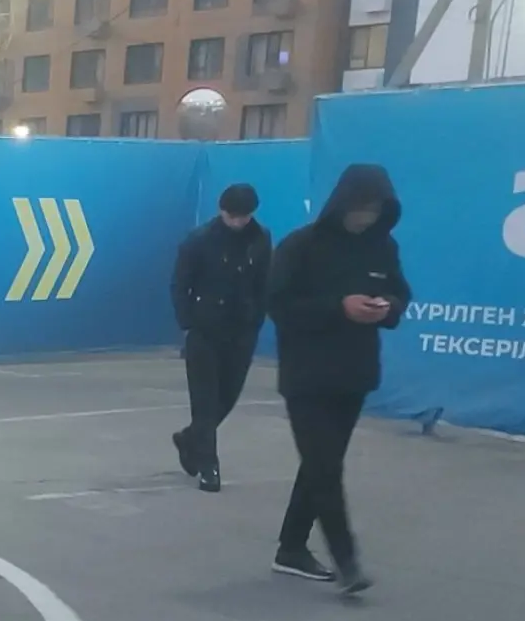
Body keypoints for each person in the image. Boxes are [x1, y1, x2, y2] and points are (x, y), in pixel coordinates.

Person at [264, 163, 410, 596]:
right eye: (361, 207)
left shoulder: (383, 247)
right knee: (325, 467)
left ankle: (291, 548)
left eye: (375, 209)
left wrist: (388, 307)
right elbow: (279, 305)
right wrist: (338, 307)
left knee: (320, 465)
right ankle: (347, 562)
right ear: (343, 203)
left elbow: (401, 292)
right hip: (307, 375)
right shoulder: (301, 246)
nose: (366, 216)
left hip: (354, 373)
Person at [170, 183, 271, 492]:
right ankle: (208, 466)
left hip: (242, 329)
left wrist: (258, 317)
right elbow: (180, 284)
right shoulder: (199, 240)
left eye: (244, 216)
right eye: (232, 216)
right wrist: (189, 323)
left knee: (227, 397)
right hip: (205, 330)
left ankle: (190, 438)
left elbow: (264, 280)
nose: (238, 222)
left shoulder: (261, 238)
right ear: (222, 211)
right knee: (204, 400)